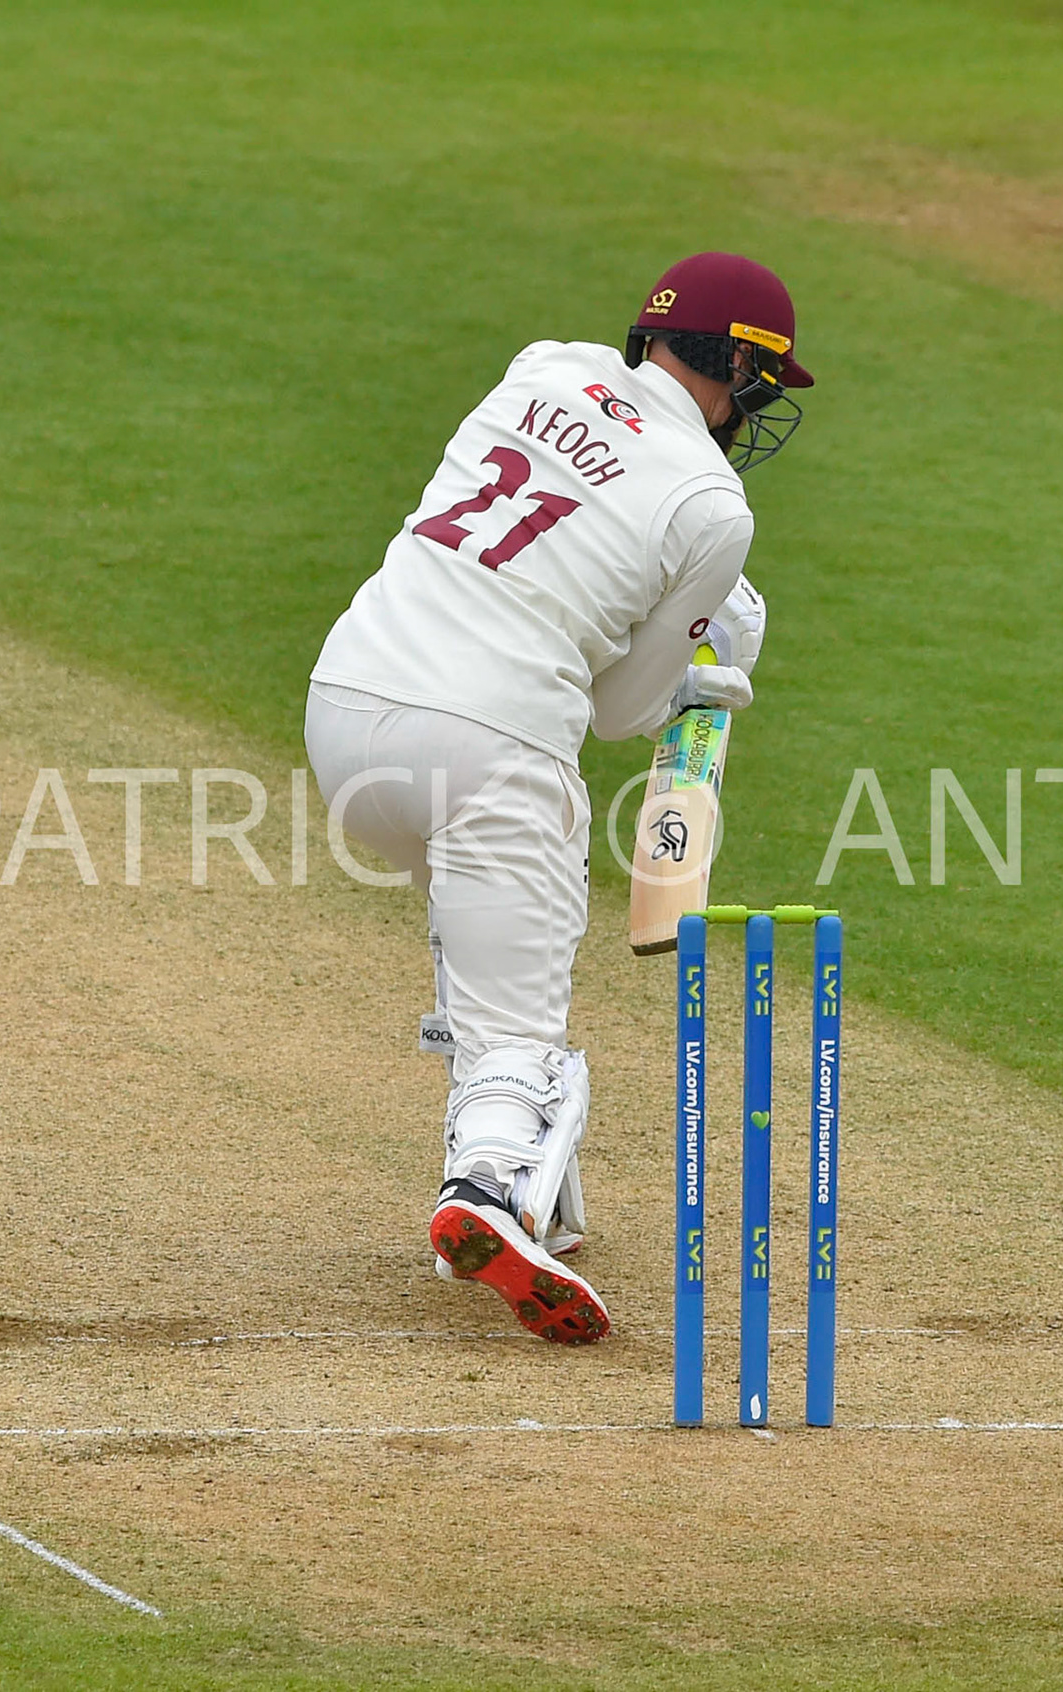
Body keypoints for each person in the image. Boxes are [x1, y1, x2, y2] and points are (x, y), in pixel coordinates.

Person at [303, 252, 811, 1343]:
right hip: (492, 747)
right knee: (518, 1035)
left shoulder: (543, 365)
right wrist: (701, 673)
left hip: (346, 714)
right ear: (740, 371)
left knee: (479, 947)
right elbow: (624, 712)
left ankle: (547, 1199)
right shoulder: (713, 507)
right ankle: (486, 1188)